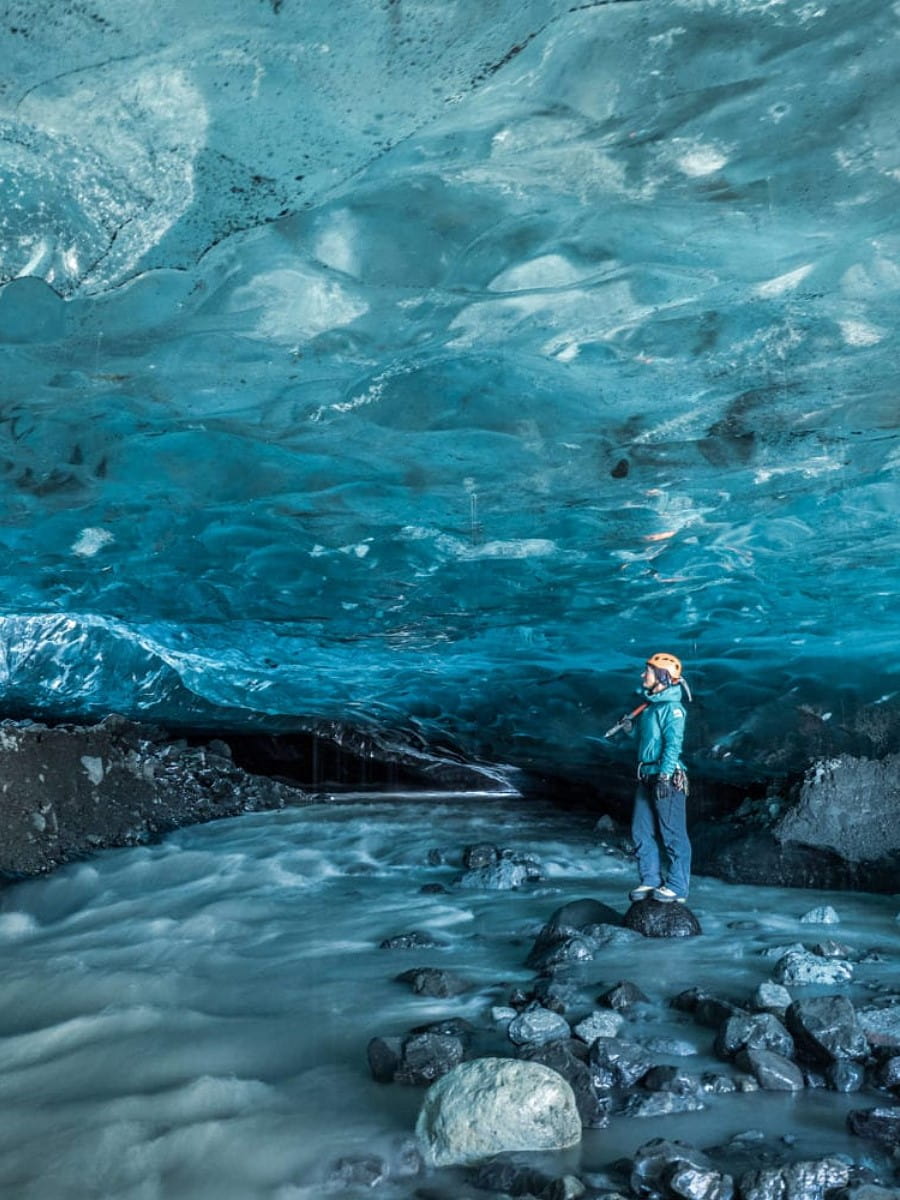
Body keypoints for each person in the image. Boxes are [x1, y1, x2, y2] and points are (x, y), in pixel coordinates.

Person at [626, 652, 691, 904]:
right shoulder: (651, 709)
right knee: (640, 830)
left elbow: (673, 745)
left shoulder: (673, 709)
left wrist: (665, 775)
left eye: (648, 671)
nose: (644, 675)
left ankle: (678, 886)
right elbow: (648, 744)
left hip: (667, 776)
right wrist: (631, 729)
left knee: (673, 833)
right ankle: (650, 879)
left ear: (662, 676)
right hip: (648, 774)